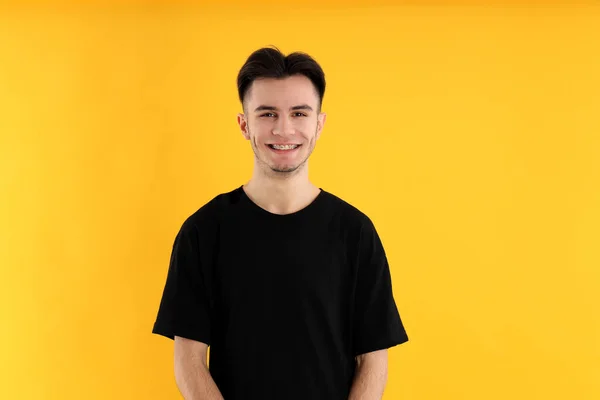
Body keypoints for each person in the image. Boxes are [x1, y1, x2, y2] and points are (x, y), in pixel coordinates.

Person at [152, 46, 409, 400]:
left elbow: (374, 360)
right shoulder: (203, 232)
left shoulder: (356, 233)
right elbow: (189, 361)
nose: (284, 129)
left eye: (299, 113)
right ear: (244, 124)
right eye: (268, 113)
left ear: (319, 124)